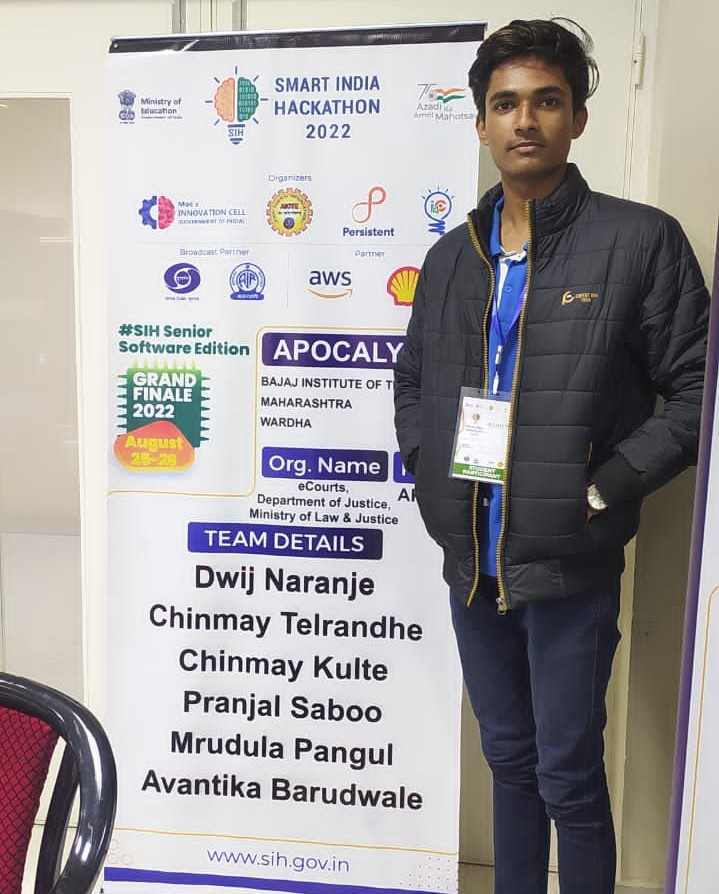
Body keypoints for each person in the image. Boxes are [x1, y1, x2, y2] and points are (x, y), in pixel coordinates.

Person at [393, 18, 709, 894]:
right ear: (480, 122)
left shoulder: (638, 242)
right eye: (505, 104)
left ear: (576, 118)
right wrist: (428, 468)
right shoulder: (452, 258)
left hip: (569, 560)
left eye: (545, 101)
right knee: (508, 761)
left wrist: (603, 489)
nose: (523, 120)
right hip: (472, 561)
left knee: (566, 774)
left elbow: (698, 390)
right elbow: (413, 377)